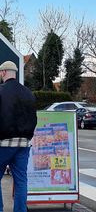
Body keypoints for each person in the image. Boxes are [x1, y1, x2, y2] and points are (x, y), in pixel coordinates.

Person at [0, 61, 37, 212]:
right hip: (23, 145)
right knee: (21, 181)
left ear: (3, 73)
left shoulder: (1, 91)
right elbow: (34, 119)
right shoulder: (28, 93)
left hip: (3, 144)